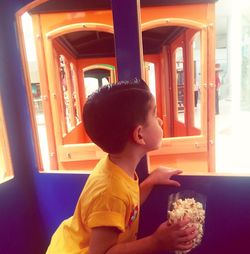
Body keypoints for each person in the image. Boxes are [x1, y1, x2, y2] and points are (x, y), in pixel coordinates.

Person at [46, 79, 197, 254]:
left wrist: (150, 182)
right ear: (139, 135)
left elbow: (126, 210)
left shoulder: (117, 167)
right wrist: (156, 242)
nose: (160, 122)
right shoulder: (110, 191)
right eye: (154, 115)